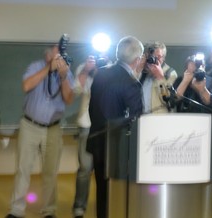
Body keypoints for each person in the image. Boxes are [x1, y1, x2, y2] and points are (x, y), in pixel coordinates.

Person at [5, 44, 75, 218]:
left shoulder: (66, 72)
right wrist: (48, 69)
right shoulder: (35, 66)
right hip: (30, 125)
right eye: (57, 54)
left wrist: (64, 76)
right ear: (48, 55)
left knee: (50, 172)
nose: (60, 58)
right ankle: (16, 210)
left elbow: (68, 99)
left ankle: (49, 211)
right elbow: (27, 86)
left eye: (62, 55)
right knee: (23, 170)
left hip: (53, 128)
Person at [86, 35, 144, 218]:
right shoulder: (132, 83)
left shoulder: (100, 73)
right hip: (120, 149)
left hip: (97, 141)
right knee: (122, 195)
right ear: (137, 60)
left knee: (102, 192)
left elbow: (91, 107)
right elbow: (136, 120)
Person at [72, 55, 111, 218]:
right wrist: (88, 71)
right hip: (86, 124)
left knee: (106, 171)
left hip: (106, 126)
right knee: (85, 169)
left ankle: (105, 206)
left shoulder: (112, 70)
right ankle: (79, 206)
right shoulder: (84, 68)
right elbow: (76, 89)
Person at [139, 41, 178, 113]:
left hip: (160, 120)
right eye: (153, 57)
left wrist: (160, 78)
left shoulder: (170, 73)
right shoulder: (143, 73)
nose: (155, 60)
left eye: (158, 57)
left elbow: (168, 100)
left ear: (164, 58)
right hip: (143, 119)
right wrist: (139, 68)